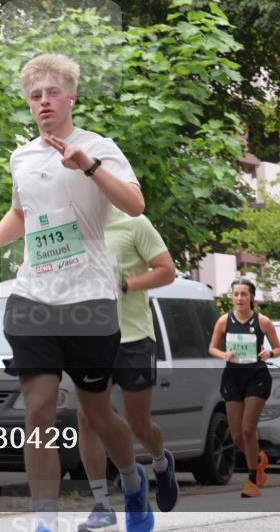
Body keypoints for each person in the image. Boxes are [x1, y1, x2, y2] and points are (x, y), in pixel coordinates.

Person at [0, 54, 155, 532]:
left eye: (52, 92)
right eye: (35, 95)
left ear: (72, 97)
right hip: (34, 297)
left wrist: (88, 166)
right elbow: (22, 213)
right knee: (38, 411)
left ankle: (132, 481)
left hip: (89, 300)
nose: (44, 101)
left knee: (96, 414)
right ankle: (45, 522)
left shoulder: (99, 147)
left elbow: (135, 204)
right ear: (28, 104)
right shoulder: (22, 157)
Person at [76, 208, 178, 531]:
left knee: (139, 425)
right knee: (87, 418)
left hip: (133, 336)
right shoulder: (75, 226)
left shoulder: (134, 223)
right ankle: (102, 504)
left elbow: (167, 271)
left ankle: (162, 462)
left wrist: (126, 283)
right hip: (92, 335)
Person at [208, 278, 280, 498]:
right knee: (237, 435)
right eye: (236, 294)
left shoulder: (263, 322)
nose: (239, 298)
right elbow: (212, 347)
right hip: (232, 377)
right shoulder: (224, 321)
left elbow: (279, 349)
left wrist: (269, 353)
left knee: (248, 428)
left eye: (244, 294)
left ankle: (252, 481)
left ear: (252, 297)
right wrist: (225, 355)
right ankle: (258, 459)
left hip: (256, 377)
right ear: (231, 297)